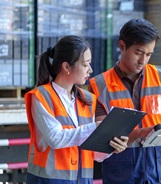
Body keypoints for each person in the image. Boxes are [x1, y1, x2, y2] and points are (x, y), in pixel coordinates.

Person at [89, 18, 161, 183]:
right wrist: (140, 134)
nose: (143, 60)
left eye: (148, 54)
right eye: (138, 52)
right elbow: (102, 138)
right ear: (122, 46)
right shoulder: (99, 86)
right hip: (123, 175)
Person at [24, 35, 129, 184]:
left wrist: (110, 145)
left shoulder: (89, 99)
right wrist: (96, 128)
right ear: (66, 67)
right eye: (85, 64)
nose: (90, 70)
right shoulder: (41, 96)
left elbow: (94, 153)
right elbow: (55, 138)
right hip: (49, 181)